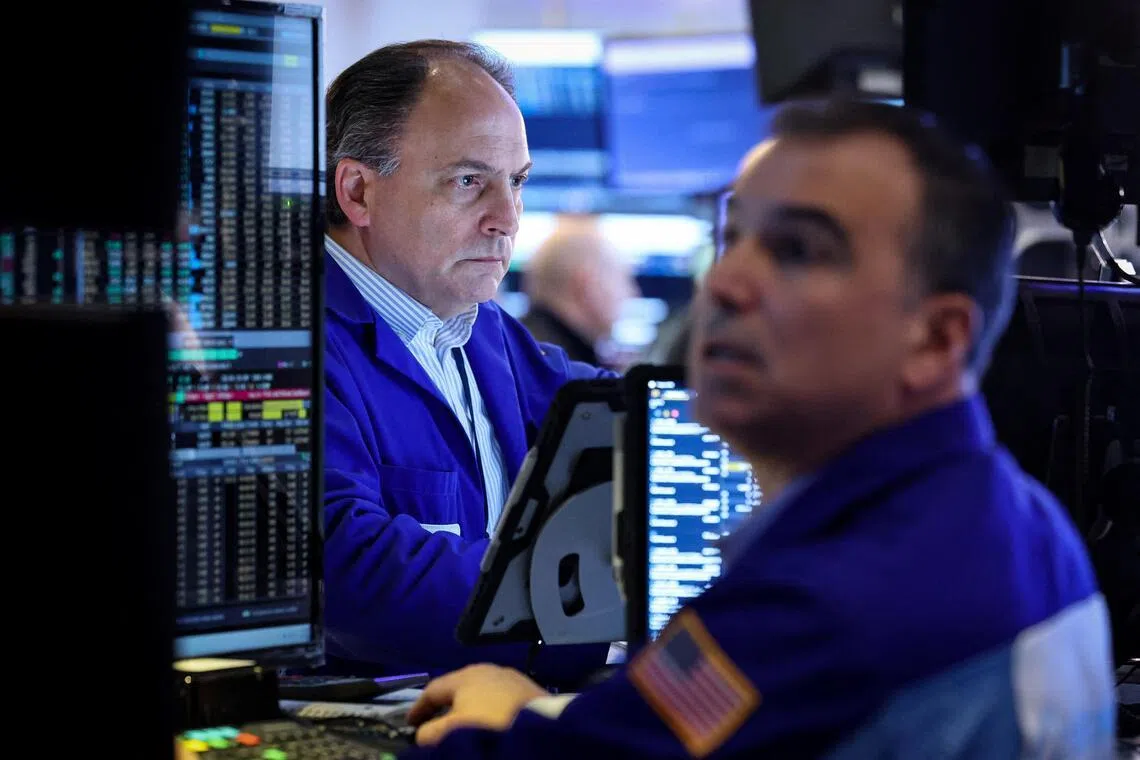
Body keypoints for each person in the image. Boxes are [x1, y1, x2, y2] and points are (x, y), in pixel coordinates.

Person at [397, 99, 1119, 758]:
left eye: (798, 250)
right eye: (734, 238)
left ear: (935, 339)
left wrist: (504, 735)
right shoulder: (1025, 524)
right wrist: (551, 719)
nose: (726, 283)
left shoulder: (815, 609)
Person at [323, 40, 610, 684]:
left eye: (517, 182)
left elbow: (628, 418)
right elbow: (351, 569)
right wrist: (588, 605)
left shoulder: (483, 331)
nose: (507, 219)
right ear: (358, 191)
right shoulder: (291, 349)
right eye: (468, 181)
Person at [520, 216, 639, 365]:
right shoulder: (563, 368)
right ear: (589, 285)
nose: (633, 293)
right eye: (624, 279)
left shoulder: (518, 344)